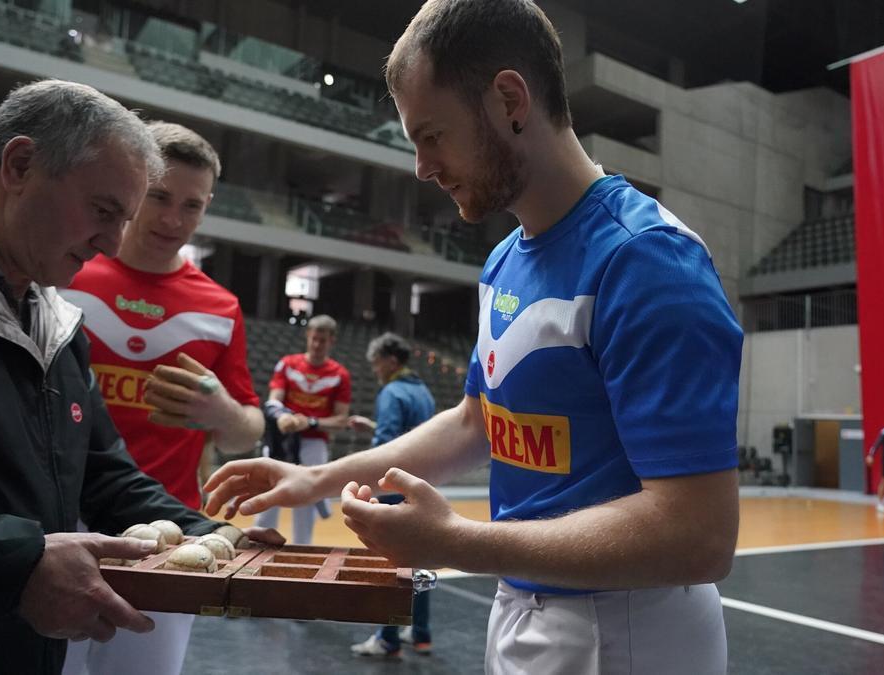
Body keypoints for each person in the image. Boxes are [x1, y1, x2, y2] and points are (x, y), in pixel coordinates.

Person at [203, 2, 743, 672]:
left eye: (432, 135)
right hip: (523, 604)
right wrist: (314, 476)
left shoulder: (648, 261)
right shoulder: (503, 261)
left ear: (510, 100)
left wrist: (458, 540)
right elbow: (472, 423)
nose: (422, 168)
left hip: (628, 629)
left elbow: (699, 536)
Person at [0, 80, 280, 675]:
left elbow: (103, 474)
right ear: (20, 164)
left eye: (123, 220)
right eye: (103, 212)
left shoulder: (54, 320)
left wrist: (208, 533)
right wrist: (14, 565)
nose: (112, 242)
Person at [59, 122, 266, 675]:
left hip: (167, 535)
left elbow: (247, 430)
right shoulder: (66, 272)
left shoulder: (219, 307)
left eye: (192, 206)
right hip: (57, 522)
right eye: (159, 197)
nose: (174, 220)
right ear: (131, 186)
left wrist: (223, 413)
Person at [347, 333, 436, 658]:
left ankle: (387, 638)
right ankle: (421, 633)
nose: (375, 369)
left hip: (392, 488)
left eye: (377, 362)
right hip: (421, 486)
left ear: (391, 361)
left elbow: (386, 449)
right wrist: (374, 426)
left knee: (390, 562)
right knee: (419, 562)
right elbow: (413, 439)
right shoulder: (422, 392)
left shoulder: (391, 393)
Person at [254, 314, 352, 544]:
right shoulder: (288, 364)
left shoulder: (339, 375)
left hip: (314, 443)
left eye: (323, 341)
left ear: (332, 342)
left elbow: (341, 419)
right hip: (283, 438)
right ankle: (259, 541)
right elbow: (274, 401)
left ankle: (302, 546)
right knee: (269, 491)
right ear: (308, 336)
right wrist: (281, 416)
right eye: (314, 339)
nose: (317, 345)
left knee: (307, 498)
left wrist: (312, 422)